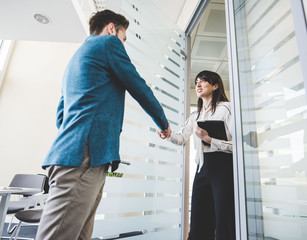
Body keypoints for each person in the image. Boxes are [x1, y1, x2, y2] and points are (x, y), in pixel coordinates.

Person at [36, 9, 170, 240]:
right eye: (124, 38)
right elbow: (137, 85)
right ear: (111, 28)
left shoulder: (77, 58)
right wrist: (163, 122)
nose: (123, 45)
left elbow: (61, 116)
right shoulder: (108, 43)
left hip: (74, 153)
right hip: (83, 156)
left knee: (79, 235)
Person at [158, 70, 235, 239]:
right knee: (199, 218)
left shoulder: (227, 108)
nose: (198, 84)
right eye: (197, 82)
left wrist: (209, 139)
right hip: (202, 168)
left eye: (204, 81)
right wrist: (168, 134)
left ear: (215, 86)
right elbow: (180, 138)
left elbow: (238, 146)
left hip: (223, 166)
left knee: (224, 218)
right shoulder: (195, 115)